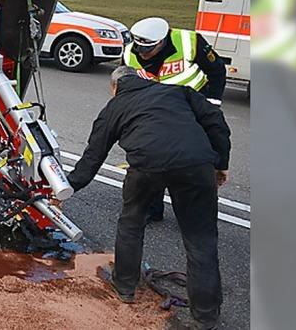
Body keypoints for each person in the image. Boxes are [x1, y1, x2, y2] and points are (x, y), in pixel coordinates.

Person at [66, 66, 231, 329]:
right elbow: (216, 122)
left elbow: (92, 157)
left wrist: (68, 188)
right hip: (196, 165)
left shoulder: (115, 107)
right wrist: (220, 163)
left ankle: (124, 287)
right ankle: (206, 315)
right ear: (144, 79)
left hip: (146, 167)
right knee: (201, 240)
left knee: (131, 223)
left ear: (114, 87)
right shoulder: (178, 92)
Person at [124, 17, 227, 222]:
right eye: (140, 49)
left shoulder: (190, 42)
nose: (143, 55)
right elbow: (128, 82)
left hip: (193, 105)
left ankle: (195, 215)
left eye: (148, 50)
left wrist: (211, 105)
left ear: (162, 42)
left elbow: (217, 70)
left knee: (193, 160)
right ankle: (152, 209)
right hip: (156, 110)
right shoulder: (130, 52)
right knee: (153, 158)